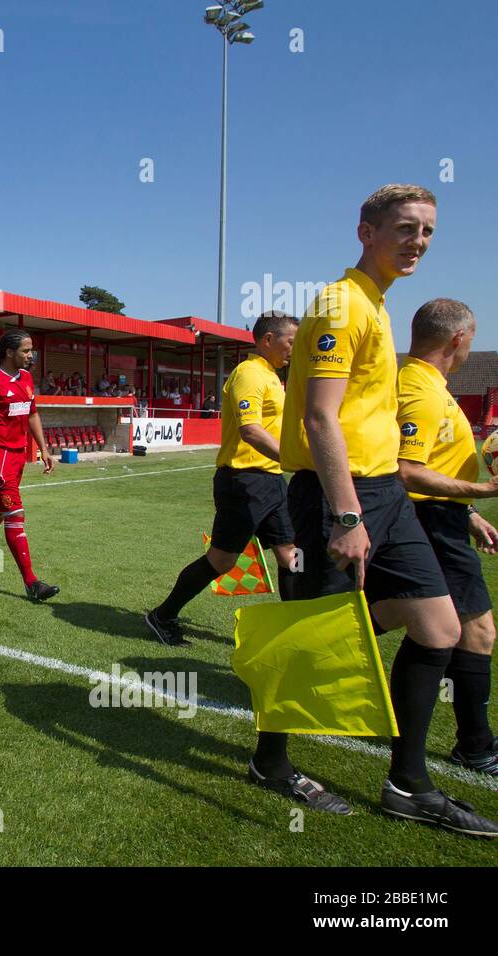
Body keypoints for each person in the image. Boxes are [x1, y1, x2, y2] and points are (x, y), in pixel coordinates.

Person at [264, 183, 496, 835]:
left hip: (387, 496)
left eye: (427, 230)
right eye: (404, 227)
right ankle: (270, 759)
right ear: (365, 231)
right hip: (339, 497)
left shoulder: (376, 302)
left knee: (441, 628)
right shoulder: (342, 304)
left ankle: (408, 783)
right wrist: (345, 515)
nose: (418, 240)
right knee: (313, 645)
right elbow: (319, 415)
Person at [145, 312, 300, 646]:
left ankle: (297, 628)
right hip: (243, 481)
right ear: (268, 340)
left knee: (291, 556)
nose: (294, 349)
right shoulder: (249, 374)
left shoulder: (274, 377)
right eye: (291, 341)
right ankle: (163, 614)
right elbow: (250, 430)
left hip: (272, 480)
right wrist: (295, 459)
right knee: (221, 561)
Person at [395, 298, 498, 775]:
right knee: (475, 630)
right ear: (458, 339)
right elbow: (408, 471)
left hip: (444, 518)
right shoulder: (421, 389)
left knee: (427, 625)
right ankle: (476, 745)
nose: (470, 349)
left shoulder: (431, 384)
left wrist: (469, 510)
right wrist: (482, 489)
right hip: (428, 522)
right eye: (471, 341)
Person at [0, 328, 60, 602]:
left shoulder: (26, 378)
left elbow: (32, 414)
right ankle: (32, 584)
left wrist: (44, 449)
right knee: (14, 513)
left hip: (18, 455)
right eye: (26, 351)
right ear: (8, 352)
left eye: (31, 350)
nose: (31, 355)